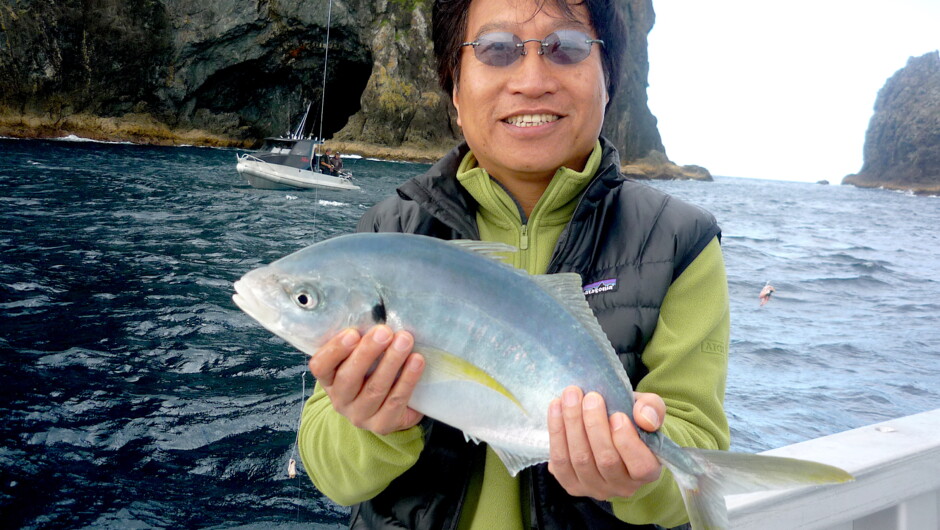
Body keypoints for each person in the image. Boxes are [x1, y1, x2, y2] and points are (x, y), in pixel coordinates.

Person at [298, 0, 730, 528]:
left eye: (566, 48)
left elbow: (696, 440)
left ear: (608, 79)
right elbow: (332, 473)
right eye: (496, 49)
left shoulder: (679, 241)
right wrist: (371, 425)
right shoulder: (390, 234)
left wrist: (641, 476)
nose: (532, 80)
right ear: (455, 89)